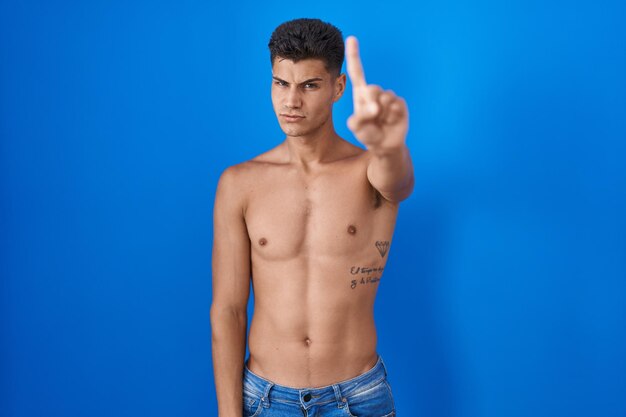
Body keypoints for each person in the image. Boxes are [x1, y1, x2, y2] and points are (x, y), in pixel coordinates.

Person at [210, 17, 414, 417]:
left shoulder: (369, 171)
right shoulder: (240, 183)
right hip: (266, 400)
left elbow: (399, 182)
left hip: (356, 398)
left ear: (338, 88)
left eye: (309, 85)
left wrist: (391, 146)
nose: (291, 102)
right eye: (281, 83)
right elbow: (228, 310)